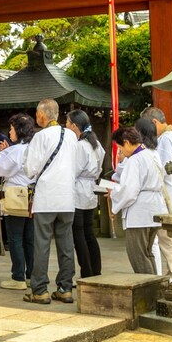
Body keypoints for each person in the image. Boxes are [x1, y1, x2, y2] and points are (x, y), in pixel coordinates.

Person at [23, 98, 78, 305]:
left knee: (42, 244)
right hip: (67, 197)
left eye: (37, 114)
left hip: (46, 197)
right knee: (66, 244)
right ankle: (65, 288)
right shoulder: (72, 136)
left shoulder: (40, 137)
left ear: (42, 115)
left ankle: (40, 290)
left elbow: (30, 170)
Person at [108, 126, 166, 274]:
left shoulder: (134, 160)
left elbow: (129, 191)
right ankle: (155, 287)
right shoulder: (150, 154)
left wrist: (114, 194)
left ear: (127, 142)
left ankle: (147, 292)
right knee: (148, 253)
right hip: (155, 208)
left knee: (138, 255)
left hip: (140, 213)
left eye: (120, 146)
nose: (121, 151)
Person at [0, 113, 37, 290]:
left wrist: (3, 153)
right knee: (29, 237)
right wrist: (6, 151)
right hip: (31, 194)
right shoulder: (32, 148)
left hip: (15, 193)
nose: (9, 132)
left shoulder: (16, 150)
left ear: (18, 130)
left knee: (15, 237)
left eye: (11, 129)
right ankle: (31, 275)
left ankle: (17, 277)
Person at [140, 106, 172, 278]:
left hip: (166, 197)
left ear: (155, 122)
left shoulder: (164, 140)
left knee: (166, 240)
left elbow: (161, 170)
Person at [67, 110, 103, 279]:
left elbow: (74, 170)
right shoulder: (96, 144)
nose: (66, 126)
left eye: (67, 123)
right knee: (89, 233)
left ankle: (87, 272)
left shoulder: (80, 146)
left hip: (79, 189)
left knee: (79, 234)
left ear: (74, 126)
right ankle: (95, 270)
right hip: (90, 189)